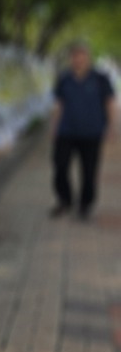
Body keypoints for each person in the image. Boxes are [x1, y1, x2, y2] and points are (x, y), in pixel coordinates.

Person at [51, 42, 115, 220]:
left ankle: (86, 204)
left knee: (89, 171)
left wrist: (111, 126)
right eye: (75, 56)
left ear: (88, 58)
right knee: (60, 166)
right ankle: (65, 200)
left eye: (82, 56)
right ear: (71, 58)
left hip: (92, 132)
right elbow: (59, 104)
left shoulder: (100, 78)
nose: (78, 60)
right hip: (66, 131)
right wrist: (54, 127)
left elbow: (109, 103)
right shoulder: (64, 78)